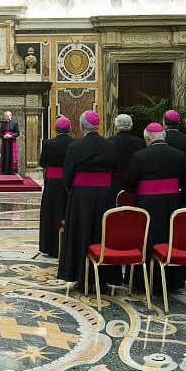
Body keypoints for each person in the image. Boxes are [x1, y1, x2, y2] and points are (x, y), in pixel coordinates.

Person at [57, 110, 117, 286]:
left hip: (81, 196)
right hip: (105, 195)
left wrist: (71, 189)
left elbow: (67, 176)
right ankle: (103, 276)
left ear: (82, 126)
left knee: (80, 231)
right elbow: (113, 171)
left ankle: (79, 274)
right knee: (102, 231)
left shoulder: (75, 147)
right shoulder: (110, 146)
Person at [125, 123, 186, 251]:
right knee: (169, 234)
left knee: (149, 236)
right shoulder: (179, 155)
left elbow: (130, 183)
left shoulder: (139, 156)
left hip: (147, 204)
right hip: (172, 202)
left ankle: (147, 267)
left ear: (148, 139)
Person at [37, 117, 74, 257]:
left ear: (55, 129)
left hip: (52, 184)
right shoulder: (75, 143)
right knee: (66, 212)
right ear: (69, 129)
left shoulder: (48, 143)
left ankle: (50, 247)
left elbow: (42, 163)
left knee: (52, 214)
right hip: (69, 183)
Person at [108, 114, 145, 188]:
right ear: (131, 125)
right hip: (135, 183)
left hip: (114, 182)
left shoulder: (108, 142)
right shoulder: (140, 142)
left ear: (116, 125)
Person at [0, 111, 19, 175]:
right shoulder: (3, 124)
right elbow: (0, 134)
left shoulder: (15, 123)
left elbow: (18, 133)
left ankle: (12, 171)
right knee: (5, 154)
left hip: (12, 141)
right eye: (6, 116)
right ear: (4, 116)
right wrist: (4, 136)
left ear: (11, 116)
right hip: (5, 142)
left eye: (9, 116)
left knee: (11, 155)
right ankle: (4, 171)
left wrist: (11, 136)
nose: (7, 117)